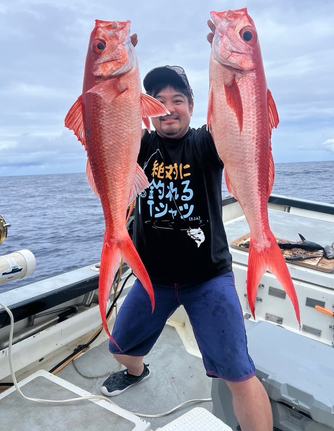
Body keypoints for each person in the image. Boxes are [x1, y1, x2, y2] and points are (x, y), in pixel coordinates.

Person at [100, 63, 273, 431]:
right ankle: (137, 371)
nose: (167, 107)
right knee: (119, 349)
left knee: (239, 373)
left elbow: (235, 116)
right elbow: (108, 118)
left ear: (192, 107)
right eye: (157, 100)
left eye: (177, 99)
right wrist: (115, 73)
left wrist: (229, 66)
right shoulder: (139, 145)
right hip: (154, 280)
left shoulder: (207, 143)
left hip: (207, 278)